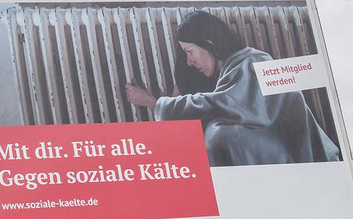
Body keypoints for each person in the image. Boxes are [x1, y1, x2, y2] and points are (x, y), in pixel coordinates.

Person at [124, 10, 341, 167]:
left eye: (190, 51)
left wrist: (154, 103)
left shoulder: (255, 62)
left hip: (304, 160)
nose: (190, 61)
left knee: (219, 133)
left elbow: (222, 104)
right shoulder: (239, 66)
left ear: (209, 43)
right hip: (291, 156)